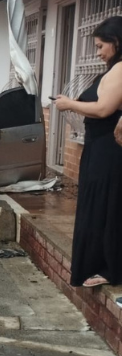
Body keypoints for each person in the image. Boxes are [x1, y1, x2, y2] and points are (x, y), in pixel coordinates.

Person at [54, 16, 122, 288]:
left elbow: (105, 109)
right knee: (98, 205)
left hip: (109, 148)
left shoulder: (119, 69)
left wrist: (70, 103)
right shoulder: (112, 69)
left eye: (101, 45)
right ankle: (98, 264)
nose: (98, 52)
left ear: (116, 42)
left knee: (106, 206)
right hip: (98, 146)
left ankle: (108, 266)